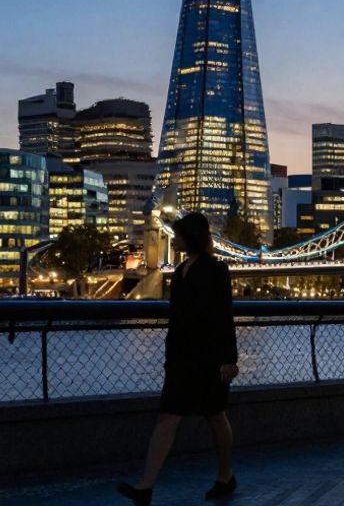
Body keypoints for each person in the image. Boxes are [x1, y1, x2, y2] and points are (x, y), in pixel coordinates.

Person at [119, 212, 238, 504]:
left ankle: (225, 476)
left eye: (179, 235)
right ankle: (145, 487)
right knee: (167, 417)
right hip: (182, 358)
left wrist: (230, 360)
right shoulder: (181, 269)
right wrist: (169, 356)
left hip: (209, 358)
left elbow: (224, 317)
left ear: (191, 237)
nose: (175, 239)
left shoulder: (217, 270)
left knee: (215, 416)